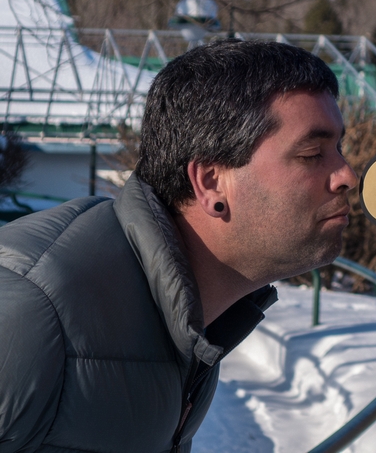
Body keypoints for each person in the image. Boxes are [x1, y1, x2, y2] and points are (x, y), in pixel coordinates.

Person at [0, 39, 357, 453]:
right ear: (210, 182)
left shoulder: (193, 315)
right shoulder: (28, 313)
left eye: (339, 149)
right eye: (313, 153)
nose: (346, 174)